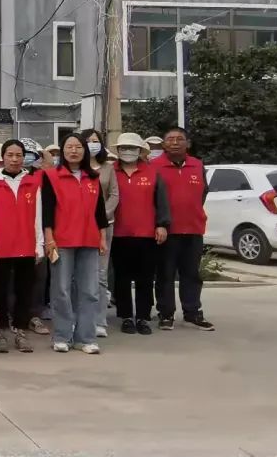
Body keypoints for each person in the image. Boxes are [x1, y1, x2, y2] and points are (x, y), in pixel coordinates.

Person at [42, 134, 109, 354]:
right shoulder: (52, 176)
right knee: (61, 290)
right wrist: (49, 238)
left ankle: (86, 338)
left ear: (85, 151)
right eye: (69, 147)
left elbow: (100, 211)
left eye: (78, 147)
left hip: (89, 240)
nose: (74, 151)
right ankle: (62, 335)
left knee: (90, 291)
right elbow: (47, 210)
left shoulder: (93, 177)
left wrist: (102, 237)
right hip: (61, 240)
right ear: (62, 151)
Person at [0, 140, 43, 354]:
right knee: (0, 292)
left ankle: (21, 332)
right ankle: (1, 332)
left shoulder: (33, 182)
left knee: (24, 291)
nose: (15, 159)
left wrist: (39, 245)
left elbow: (38, 216)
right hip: (1, 246)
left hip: (27, 245)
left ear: (24, 158)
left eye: (18, 155)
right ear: (3, 157)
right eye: (10, 155)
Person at [152, 127, 214, 331]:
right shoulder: (154, 166)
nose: (175, 142)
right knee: (165, 274)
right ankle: (166, 313)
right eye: (170, 139)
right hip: (166, 231)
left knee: (191, 274)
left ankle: (192, 312)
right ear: (163, 144)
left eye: (180, 139)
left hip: (193, 228)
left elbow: (203, 192)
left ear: (188, 143)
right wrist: (160, 223)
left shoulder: (197, 165)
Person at [111, 133, 170, 336]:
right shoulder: (111, 172)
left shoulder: (153, 172)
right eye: (124, 148)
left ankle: (143, 317)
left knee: (145, 278)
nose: (128, 151)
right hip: (118, 234)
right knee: (122, 278)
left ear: (140, 151)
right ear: (118, 151)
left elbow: (161, 201)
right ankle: (126, 317)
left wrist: (162, 225)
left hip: (146, 234)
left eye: (132, 148)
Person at [82, 128, 119, 339]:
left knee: (101, 274)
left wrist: (102, 216)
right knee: (80, 274)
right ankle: (80, 318)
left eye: (95, 140)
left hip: (105, 226)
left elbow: (114, 194)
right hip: (79, 226)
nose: (92, 144)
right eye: (88, 141)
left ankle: (99, 320)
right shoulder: (77, 168)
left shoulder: (108, 168)